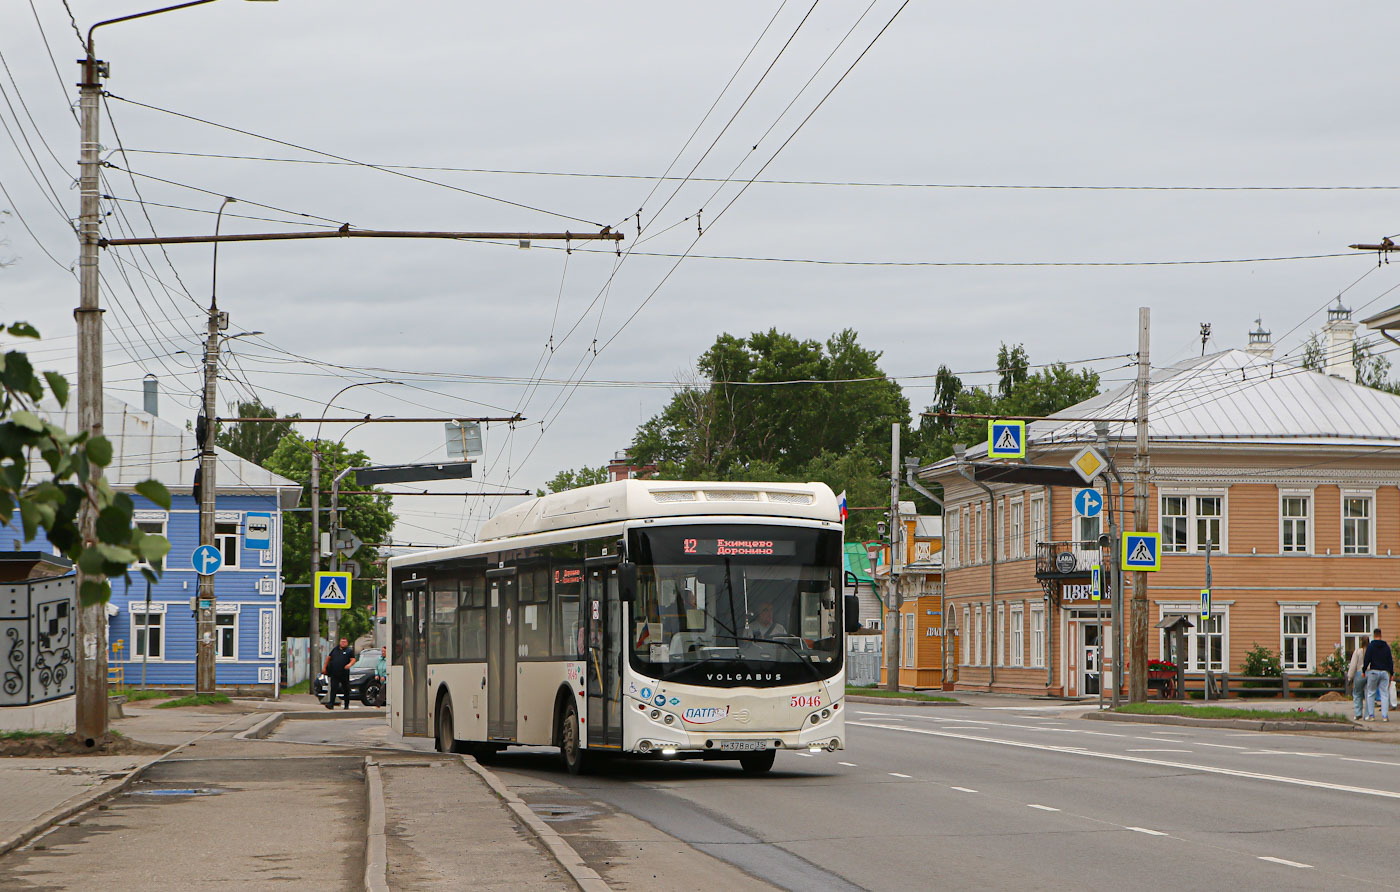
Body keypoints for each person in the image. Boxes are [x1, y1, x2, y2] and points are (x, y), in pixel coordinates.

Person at [1363, 627, 1393, 722]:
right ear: (1381, 635)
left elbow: (1367, 659)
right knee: (1384, 694)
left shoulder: (1371, 646)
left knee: (1371, 693)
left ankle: (1371, 715)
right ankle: (1384, 716)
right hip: (1384, 672)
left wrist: (1364, 670)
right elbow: (1390, 661)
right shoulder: (1386, 646)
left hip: (1374, 671)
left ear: (1374, 635)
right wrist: (1391, 673)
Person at [323, 637, 357, 710]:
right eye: (342, 642)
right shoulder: (335, 649)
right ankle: (331, 704)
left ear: (347, 643)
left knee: (346, 689)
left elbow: (353, 659)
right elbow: (328, 658)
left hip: (344, 673)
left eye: (344, 642)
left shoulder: (349, 651)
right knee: (333, 688)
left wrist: (349, 665)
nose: (343, 643)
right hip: (334, 673)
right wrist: (324, 667)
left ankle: (346, 705)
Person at [1347, 636, 1369, 720]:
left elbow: (1353, 665)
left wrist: (1350, 677)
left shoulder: (1358, 652)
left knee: (1357, 693)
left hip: (1359, 674)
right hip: (1370, 673)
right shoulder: (1371, 652)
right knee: (1368, 695)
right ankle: (1367, 715)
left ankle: (1358, 713)